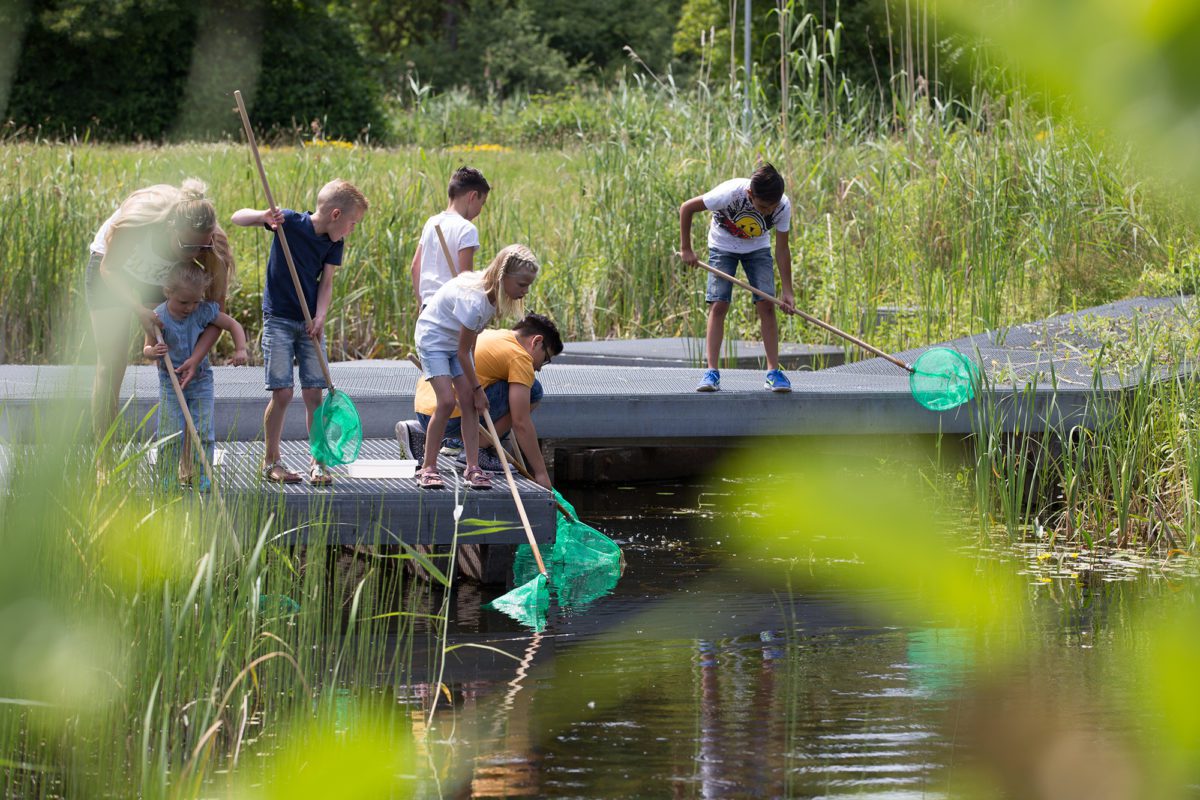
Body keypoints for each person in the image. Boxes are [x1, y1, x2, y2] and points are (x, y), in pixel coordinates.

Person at [231, 179, 369, 486]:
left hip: (309, 325)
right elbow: (236, 217)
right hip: (279, 318)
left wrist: (320, 316)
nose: (352, 229)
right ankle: (271, 462)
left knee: (314, 394)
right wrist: (263, 216)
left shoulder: (335, 242)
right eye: (352, 223)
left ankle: (318, 461)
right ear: (335, 215)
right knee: (282, 392)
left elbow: (327, 282)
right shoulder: (290, 223)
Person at [86, 179, 234, 440]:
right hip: (114, 270)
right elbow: (109, 269)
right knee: (112, 362)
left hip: (161, 279)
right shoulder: (140, 222)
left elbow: (216, 317)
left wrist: (196, 357)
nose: (198, 253)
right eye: (190, 246)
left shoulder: (210, 248)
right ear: (170, 230)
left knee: (176, 360)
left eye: (203, 245)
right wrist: (138, 309)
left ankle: (183, 455)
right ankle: (104, 459)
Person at [412, 245, 540, 490]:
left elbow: (470, 346)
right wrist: (479, 389)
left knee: (469, 402)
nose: (525, 291)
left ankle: (472, 468)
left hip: (455, 345)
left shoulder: (492, 298)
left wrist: (474, 392)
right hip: (433, 340)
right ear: (503, 278)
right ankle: (428, 467)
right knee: (448, 401)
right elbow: (462, 351)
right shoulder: (475, 301)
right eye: (522, 285)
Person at [397, 312, 563, 489]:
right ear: (536, 342)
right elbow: (520, 422)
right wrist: (541, 474)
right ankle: (479, 450)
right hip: (454, 415)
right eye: (545, 359)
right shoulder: (520, 357)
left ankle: (430, 434)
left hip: (427, 411)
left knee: (510, 384)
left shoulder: (495, 334)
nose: (539, 368)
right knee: (533, 391)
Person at [678, 162, 796, 393]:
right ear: (750, 194)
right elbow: (686, 208)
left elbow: (782, 249)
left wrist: (788, 291)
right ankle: (711, 371)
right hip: (723, 245)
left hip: (757, 249)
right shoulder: (730, 193)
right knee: (719, 304)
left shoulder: (782, 206)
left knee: (767, 305)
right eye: (763, 206)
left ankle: (774, 372)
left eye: (771, 208)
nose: (767, 212)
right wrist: (686, 249)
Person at [142, 263, 248, 491]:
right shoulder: (158, 316)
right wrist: (154, 352)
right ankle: (167, 478)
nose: (190, 308)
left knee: (203, 431)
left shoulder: (203, 311)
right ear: (168, 292)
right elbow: (146, 349)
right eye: (183, 302)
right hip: (171, 384)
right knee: (170, 433)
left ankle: (204, 477)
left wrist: (241, 349)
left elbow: (232, 324)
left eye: (195, 302)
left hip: (200, 382)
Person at [410, 166, 490, 308]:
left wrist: (421, 304)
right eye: (482, 203)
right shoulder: (467, 229)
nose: (480, 210)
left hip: (427, 307)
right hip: (449, 309)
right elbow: (466, 280)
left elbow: (415, 267)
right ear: (472, 196)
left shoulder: (431, 222)